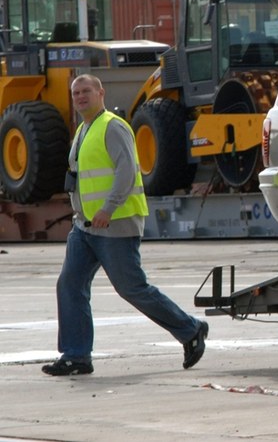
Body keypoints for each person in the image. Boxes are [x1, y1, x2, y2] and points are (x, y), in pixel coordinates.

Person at [41, 74, 208, 376]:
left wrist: (108, 207)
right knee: (70, 285)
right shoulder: (82, 130)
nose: (80, 96)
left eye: (86, 91)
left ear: (101, 93)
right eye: (75, 92)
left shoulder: (113, 126)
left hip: (115, 223)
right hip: (85, 227)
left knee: (132, 288)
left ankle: (190, 329)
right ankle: (76, 355)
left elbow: (127, 171)